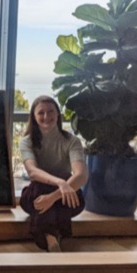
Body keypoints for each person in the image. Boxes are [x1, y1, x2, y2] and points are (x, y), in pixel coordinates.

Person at [19, 95, 88, 252]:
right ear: (34, 117)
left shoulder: (72, 141)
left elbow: (81, 175)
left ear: (58, 114)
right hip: (39, 194)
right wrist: (60, 183)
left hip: (65, 198)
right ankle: (56, 234)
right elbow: (33, 172)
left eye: (50, 111)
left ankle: (46, 235)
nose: (46, 116)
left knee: (65, 180)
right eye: (41, 113)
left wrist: (53, 197)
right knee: (39, 185)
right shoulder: (26, 141)